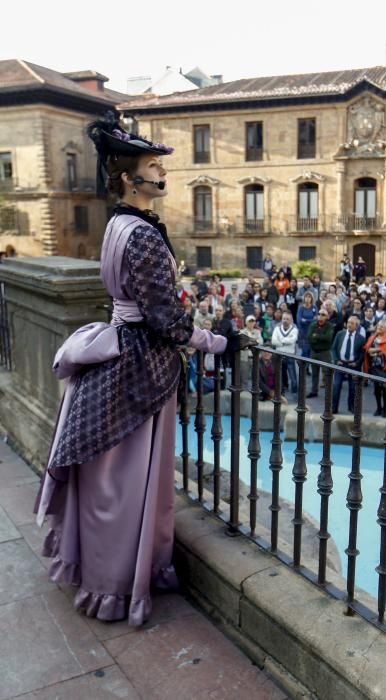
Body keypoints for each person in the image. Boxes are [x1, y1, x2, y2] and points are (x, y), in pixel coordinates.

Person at [34, 114, 252, 627]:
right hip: (138, 368)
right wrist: (218, 342)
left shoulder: (117, 225)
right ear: (131, 178)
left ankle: (116, 573)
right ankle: (115, 587)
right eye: (154, 166)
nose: (163, 173)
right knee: (128, 483)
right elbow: (167, 321)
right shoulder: (145, 236)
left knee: (111, 480)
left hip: (118, 354)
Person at [331, 316, 365, 414]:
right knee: (336, 386)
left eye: (352, 323)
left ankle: (351, 407)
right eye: (348, 322)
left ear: (356, 326)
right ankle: (334, 407)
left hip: (353, 366)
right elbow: (333, 348)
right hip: (340, 364)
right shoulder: (340, 334)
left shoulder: (361, 338)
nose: (349, 325)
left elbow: (362, 354)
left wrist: (357, 363)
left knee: (353, 388)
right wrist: (336, 360)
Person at [364, 321, 386, 417]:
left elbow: (385, 350)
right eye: (378, 326)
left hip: (385, 367)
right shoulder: (372, 337)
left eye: (382, 326)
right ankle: (379, 408)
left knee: (385, 389)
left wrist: (374, 351)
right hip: (374, 367)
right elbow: (367, 349)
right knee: (377, 389)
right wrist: (375, 351)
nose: (379, 327)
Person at [307, 307, 334, 398]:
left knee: (327, 373)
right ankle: (314, 391)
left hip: (325, 352)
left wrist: (316, 336)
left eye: (323, 315)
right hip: (314, 352)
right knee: (314, 374)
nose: (320, 316)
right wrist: (320, 337)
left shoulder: (329, 326)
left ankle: (329, 393)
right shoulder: (313, 325)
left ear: (327, 317)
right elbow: (310, 338)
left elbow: (328, 338)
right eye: (319, 314)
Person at [271, 311, 298, 394]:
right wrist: (285, 342)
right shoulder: (277, 328)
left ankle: (295, 392)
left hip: (290, 355)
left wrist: (280, 341)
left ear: (291, 320)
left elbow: (293, 340)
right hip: (279, 355)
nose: (285, 320)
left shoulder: (294, 329)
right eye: (284, 319)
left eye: (287, 319)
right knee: (280, 374)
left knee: (292, 375)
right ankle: (281, 390)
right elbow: (273, 341)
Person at [239, 315, 262, 387]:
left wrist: (249, 342)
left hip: (255, 358)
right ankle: (242, 395)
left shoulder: (257, 332)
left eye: (253, 321)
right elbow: (242, 344)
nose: (251, 323)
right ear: (246, 322)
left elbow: (260, 342)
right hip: (245, 358)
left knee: (256, 378)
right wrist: (254, 341)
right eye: (250, 321)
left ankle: (254, 396)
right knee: (243, 379)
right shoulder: (242, 332)